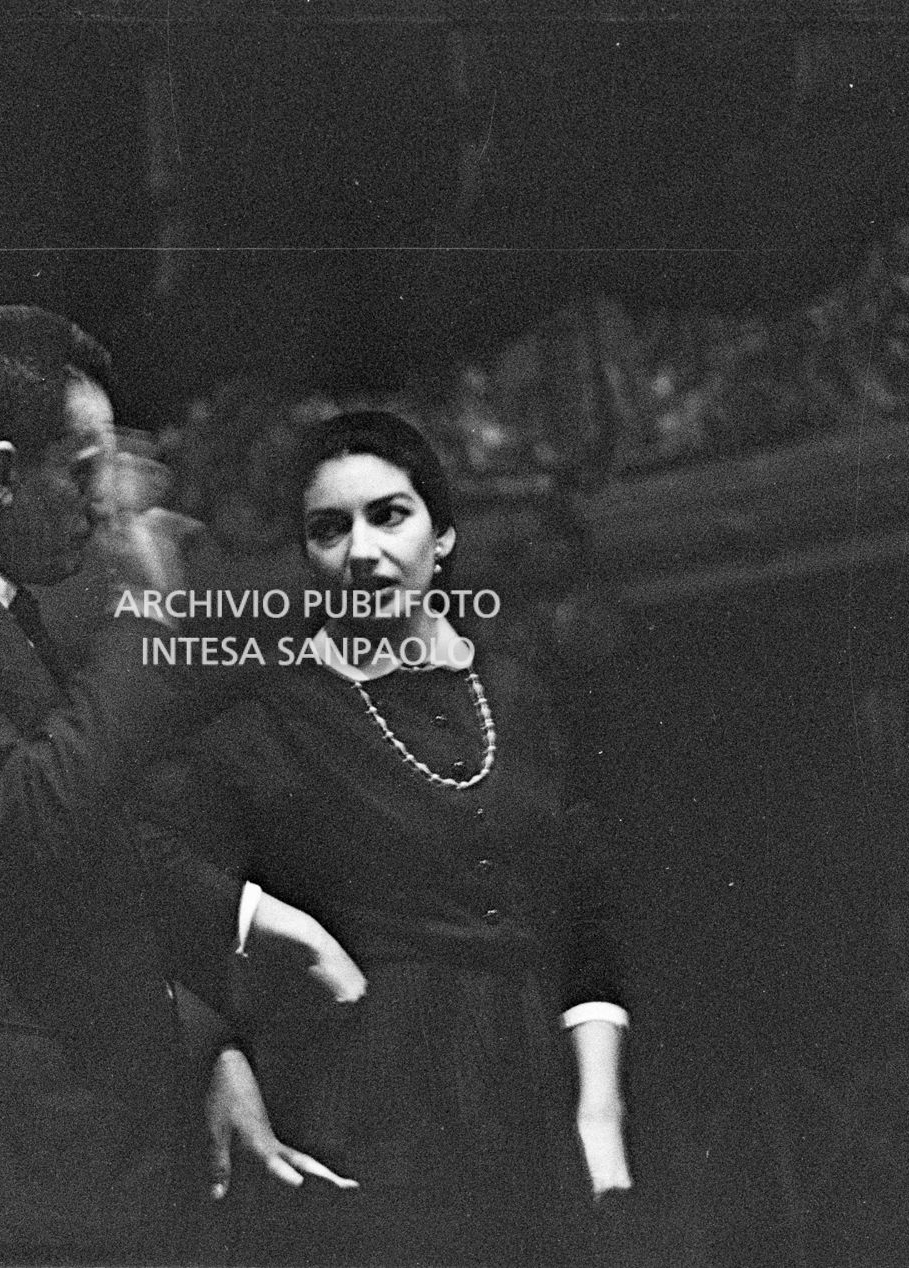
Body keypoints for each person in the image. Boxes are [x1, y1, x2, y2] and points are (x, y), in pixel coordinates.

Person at [0, 305, 353, 1263]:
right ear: (2, 475)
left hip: (56, 1140)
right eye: (86, 476)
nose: (103, 507)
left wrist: (245, 925)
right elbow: (32, 815)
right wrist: (152, 611)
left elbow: (78, 851)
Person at [138, 410, 634, 1265]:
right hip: (367, 1107)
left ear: (442, 538)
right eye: (330, 530)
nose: (361, 550)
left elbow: (583, 915)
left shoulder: (516, 696)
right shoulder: (269, 718)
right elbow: (156, 884)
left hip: (533, 1103)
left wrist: (599, 1115)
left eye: (389, 515)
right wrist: (223, 1058)